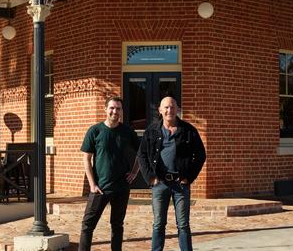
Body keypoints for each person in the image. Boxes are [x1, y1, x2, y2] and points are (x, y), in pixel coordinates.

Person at [137, 96, 206, 251]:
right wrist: (150, 177)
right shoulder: (152, 130)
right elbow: (142, 155)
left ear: (177, 109)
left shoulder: (188, 130)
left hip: (180, 185)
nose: (170, 110)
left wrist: (189, 176)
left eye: (173, 107)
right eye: (166, 107)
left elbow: (200, 154)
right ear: (160, 110)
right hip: (160, 183)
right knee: (158, 224)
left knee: (183, 225)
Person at [78, 96, 140, 251]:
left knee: (117, 225)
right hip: (100, 188)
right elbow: (86, 159)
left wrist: (134, 172)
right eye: (112, 108)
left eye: (118, 108)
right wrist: (92, 184)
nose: (115, 111)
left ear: (121, 111)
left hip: (121, 188)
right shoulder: (95, 131)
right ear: (105, 109)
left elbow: (141, 153)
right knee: (87, 225)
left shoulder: (127, 132)